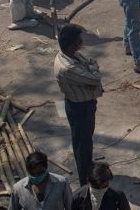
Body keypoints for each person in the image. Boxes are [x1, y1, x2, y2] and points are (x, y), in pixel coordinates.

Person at [55, 23, 102, 185]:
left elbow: (90, 61)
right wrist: (93, 70)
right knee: (83, 144)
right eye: (79, 41)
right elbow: (95, 78)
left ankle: (88, 166)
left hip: (84, 103)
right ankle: (85, 180)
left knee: (84, 140)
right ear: (71, 44)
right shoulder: (68, 67)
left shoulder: (72, 55)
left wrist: (91, 68)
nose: (81, 44)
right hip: (80, 107)